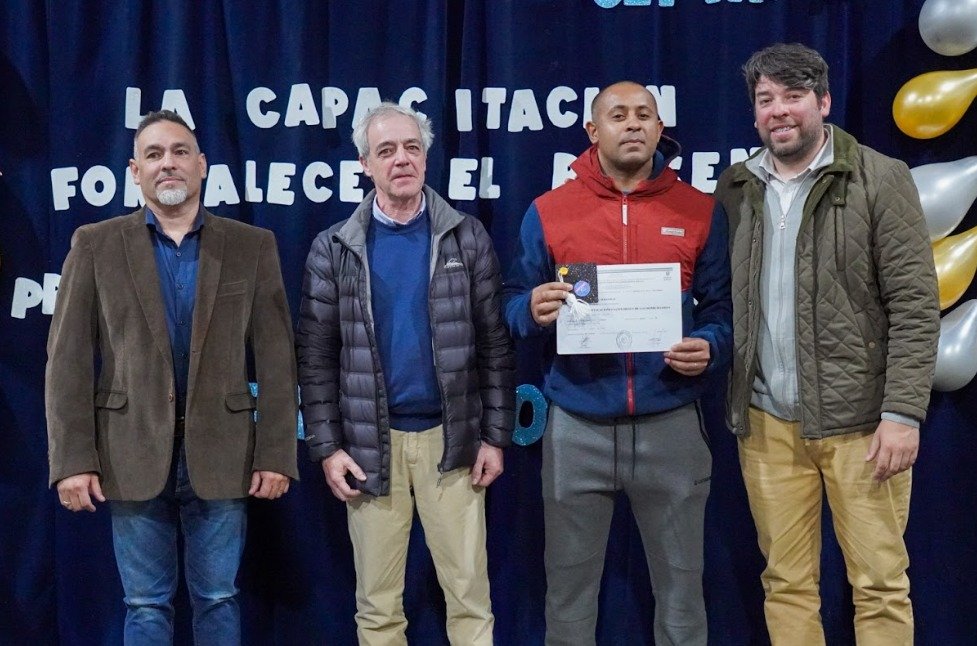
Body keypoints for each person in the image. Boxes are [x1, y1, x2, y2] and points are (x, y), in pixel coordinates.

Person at [713, 43, 941, 646]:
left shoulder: (880, 177)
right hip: (766, 423)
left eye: (793, 96)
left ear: (824, 102)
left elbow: (916, 306)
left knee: (880, 585)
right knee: (785, 583)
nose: (779, 111)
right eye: (766, 99)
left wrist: (902, 414)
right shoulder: (736, 186)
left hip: (862, 425)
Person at [46, 109, 299, 645]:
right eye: (154, 154)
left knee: (219, 599)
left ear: (202, 165)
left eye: (180, 151)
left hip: (224, 454)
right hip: (129, 453)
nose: (168, 163)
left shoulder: (252, 245)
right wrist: (72, 461)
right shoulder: (95, 244)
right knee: (144, 606)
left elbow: (277, 361)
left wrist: (276, 453)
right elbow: (67, 361)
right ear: (135, 171)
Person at [503, 81, 732, 646]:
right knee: (568, 598)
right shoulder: (549, 211)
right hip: (576, 426)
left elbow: (723, 310)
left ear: (659, 129)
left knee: (683, 598)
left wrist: (711, 346)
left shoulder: (700, 211)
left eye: (644, 115)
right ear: (593, 131)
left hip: (672, 423)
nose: (632, 124)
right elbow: (511, 304)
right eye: (618, 115)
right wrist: (531, 309)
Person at [296, 102, 514, 646]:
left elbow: (494, 344)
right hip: (370, 448)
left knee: (470, 599)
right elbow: (316, 358)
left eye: (412, 148)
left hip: (453, 444)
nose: (401, 160)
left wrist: (494, 437)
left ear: (426, 157)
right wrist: (328, 448)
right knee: (377, 608)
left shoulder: (467, 236)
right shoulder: (334, 247)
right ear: (365, 164)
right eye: (386, 150)